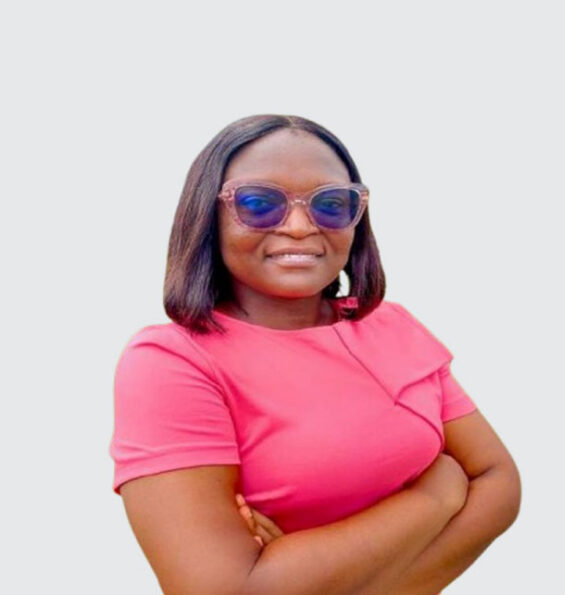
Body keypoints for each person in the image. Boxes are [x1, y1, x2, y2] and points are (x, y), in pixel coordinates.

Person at [109, 114, 521, 594]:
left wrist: (299, 570)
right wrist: (438, 492)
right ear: (207, 215)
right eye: (259, 203)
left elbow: (499, 482)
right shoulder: (170, 362)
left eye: (331, 204)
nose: (301, 226)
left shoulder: (391, 326)